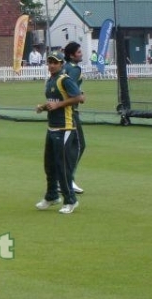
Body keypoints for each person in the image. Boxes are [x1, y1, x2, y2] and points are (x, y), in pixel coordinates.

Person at [35, 51, 84, 214]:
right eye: (49, 62)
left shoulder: (65, 79)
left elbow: (79, 97)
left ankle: (70, 200)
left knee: (62, 166)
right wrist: (43, 107)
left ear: (61, 64)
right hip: (52, 127)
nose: (51, 65)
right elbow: (53, 102)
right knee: (49, 165)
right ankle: (51, 196)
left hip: (65, 128)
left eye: (55, 62)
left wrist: (58, 105)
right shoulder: (50, 81)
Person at [64, 41, 86, 195]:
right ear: (72, 55)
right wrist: (80, 95)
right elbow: (70, 87)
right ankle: (67, 179)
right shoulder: (74, 69)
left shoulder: (63, 67)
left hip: (64, 111)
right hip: (71, 111)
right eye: (78, 52)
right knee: (79, 145)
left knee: (68, 147)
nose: (81, 54)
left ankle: (64, 179)